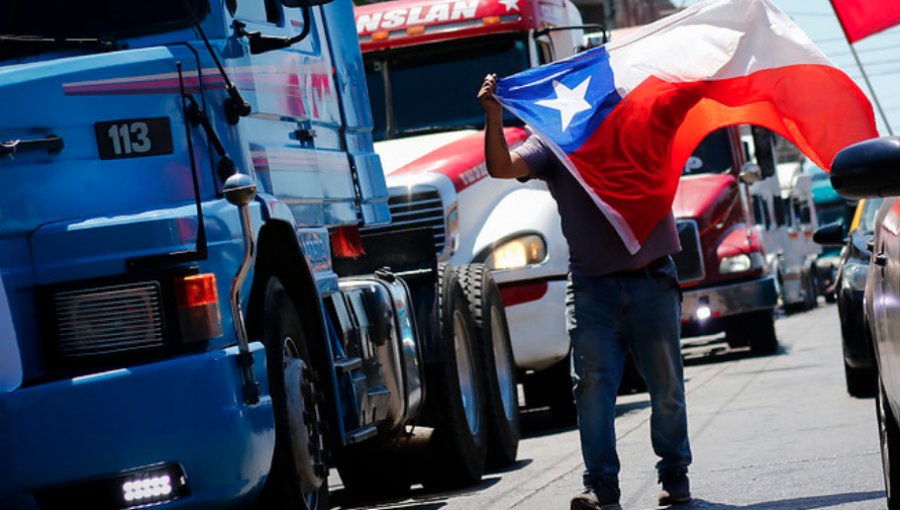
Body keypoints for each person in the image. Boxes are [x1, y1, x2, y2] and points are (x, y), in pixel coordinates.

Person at [477, 73, 692, 510]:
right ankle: (601, 488)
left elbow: (684, 101)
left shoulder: (639, 121)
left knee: (666, 386)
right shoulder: (552, 139)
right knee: (591, 387)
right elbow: (502, 167)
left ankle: (674, 472)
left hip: (651, 279)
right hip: (592, 288)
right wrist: (494, 115)